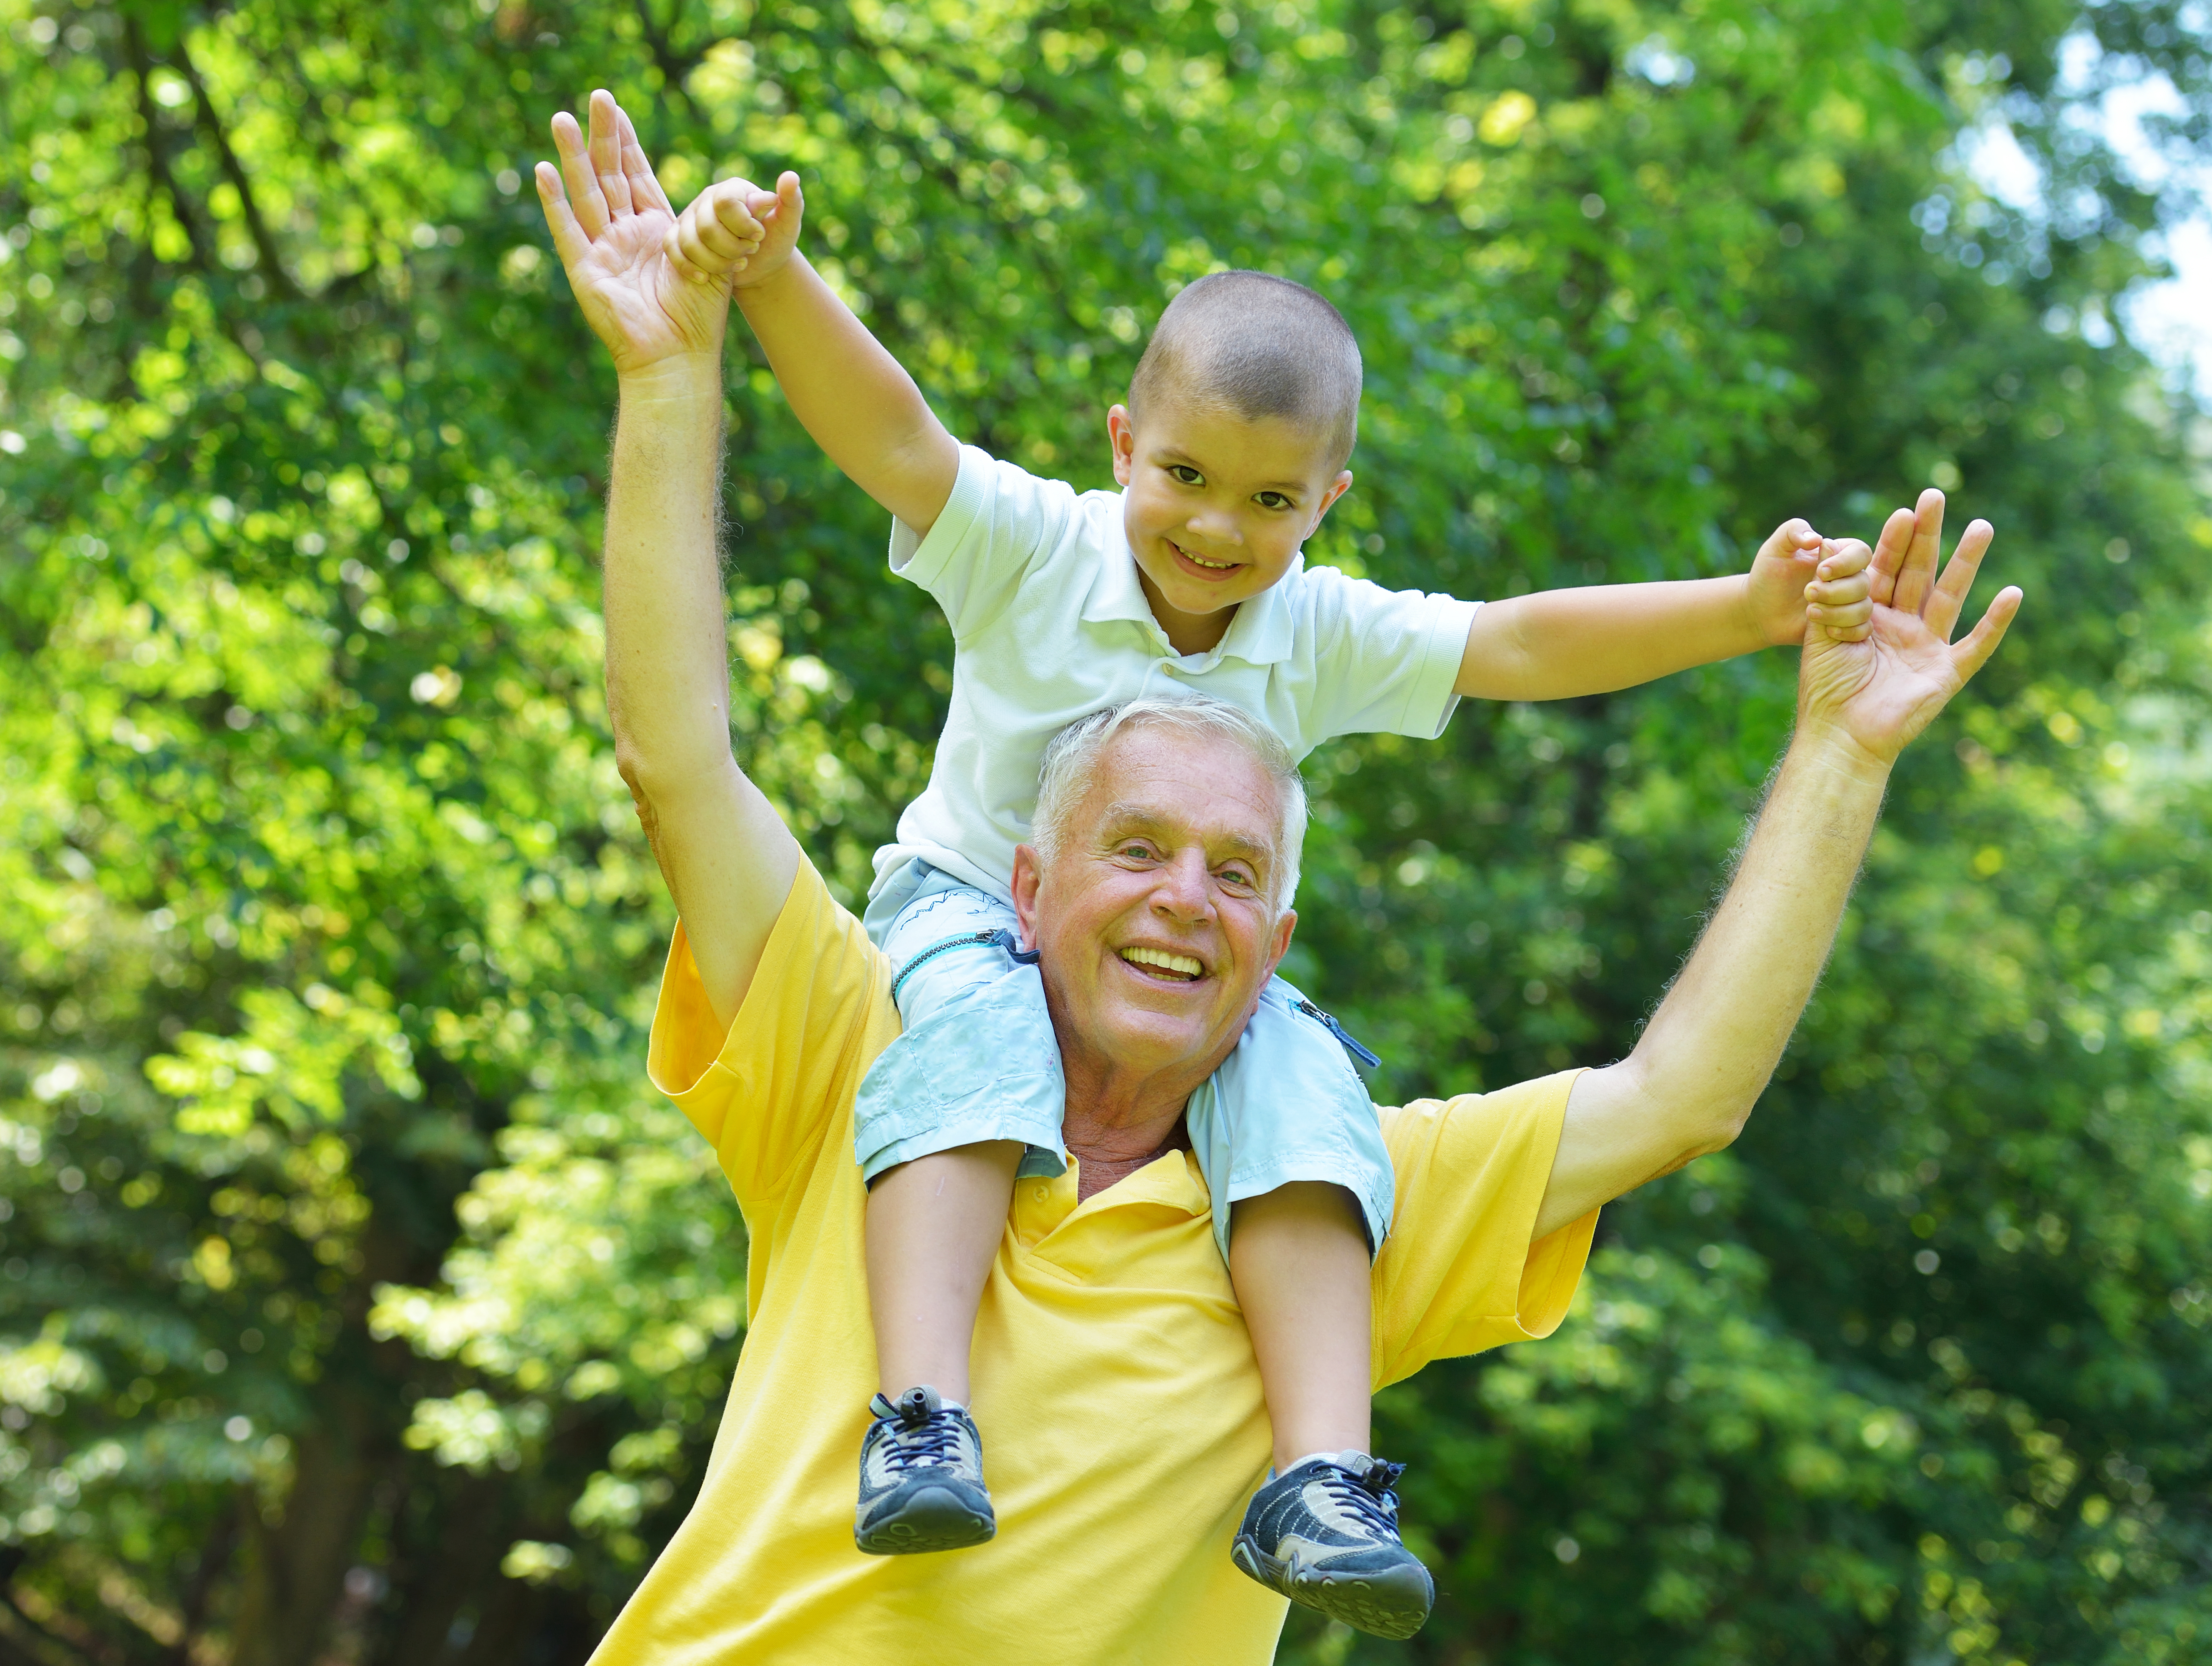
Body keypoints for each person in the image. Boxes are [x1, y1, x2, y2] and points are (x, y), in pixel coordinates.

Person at [533, 88, 2019, 1662]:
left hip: (1243, 1109)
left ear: (1280, 928)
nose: (1185, 895)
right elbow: (685, 740)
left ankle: (1322, 1479)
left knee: (1310, 1107)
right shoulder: (862, 1055)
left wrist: (1810, 707)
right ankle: (921, 1419)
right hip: (944, 951)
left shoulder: (1308, 1202)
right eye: (1137, 849)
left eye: (1237, 869)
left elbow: (1675, 1083)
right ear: (1040, 881)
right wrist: (692, 343)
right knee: (970, 1053)